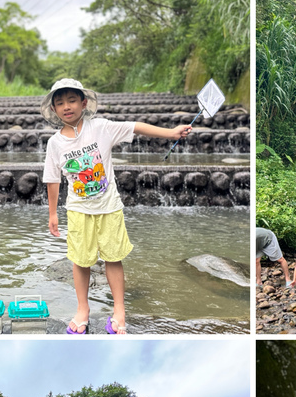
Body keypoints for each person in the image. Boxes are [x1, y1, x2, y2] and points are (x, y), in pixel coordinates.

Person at [41, 78, 192, 335]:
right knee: (80, 261)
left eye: (72, 100)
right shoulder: (55, 143)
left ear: (83, 103)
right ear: (54, 110)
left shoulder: (100, 127)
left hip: (109, 206)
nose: (67, 106)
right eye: (60, 103)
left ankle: (119, 310)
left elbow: (136, 126)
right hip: (78, 210)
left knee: (113, 257)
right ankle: (82, 309)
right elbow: (53, 179)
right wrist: (53, 213)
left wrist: (171, 133)